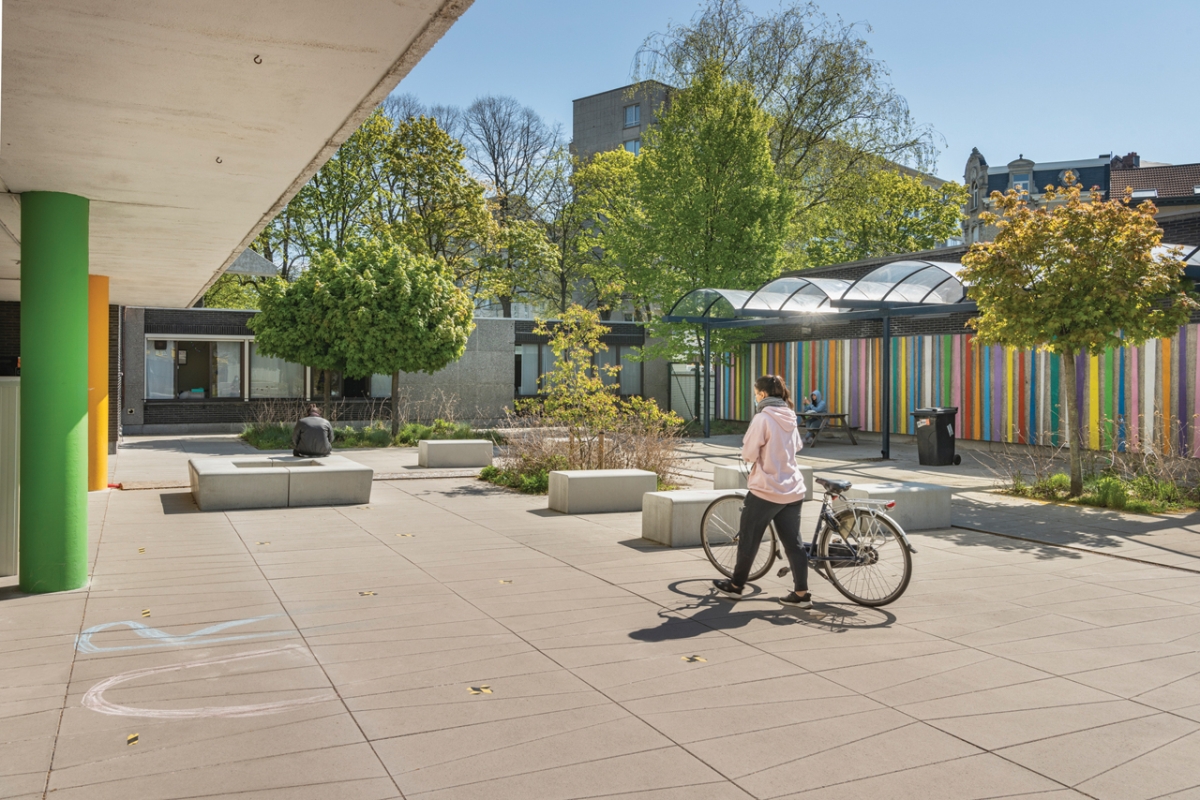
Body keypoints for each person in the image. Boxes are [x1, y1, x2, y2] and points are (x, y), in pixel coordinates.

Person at [713, 375, 812, 608]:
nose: (755, 397)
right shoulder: (790, 416)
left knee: (749, 538)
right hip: (793, 489)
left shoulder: (762, 418)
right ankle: (801, 594)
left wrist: (753, 454)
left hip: (766, 490)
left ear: (763, 395)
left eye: (756, 393)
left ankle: (736, 586)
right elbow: (797, 446)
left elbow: (748, 453)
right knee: (793, 543)